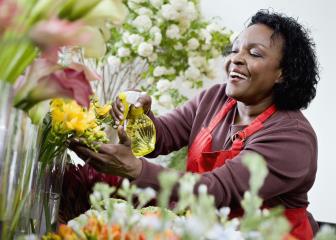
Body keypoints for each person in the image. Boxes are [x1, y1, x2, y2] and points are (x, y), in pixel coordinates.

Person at [68, 10, 319, 240]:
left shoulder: (291, 138)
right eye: (234, 50)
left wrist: (135, 169)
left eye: (254, 53)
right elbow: (162, 136)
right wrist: (136, 115)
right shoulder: (215, 99)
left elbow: (217, 190)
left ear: (283, 73)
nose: (236, 59)